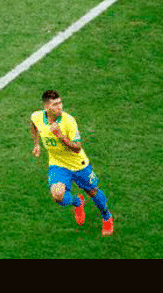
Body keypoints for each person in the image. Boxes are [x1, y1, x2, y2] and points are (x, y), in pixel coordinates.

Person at [30, 90, 113, 236]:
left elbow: (77, 147)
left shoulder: (69, 121)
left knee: (92, 191)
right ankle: (77, 203)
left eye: (60, 102)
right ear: (46, 107)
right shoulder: (37, 117)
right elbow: (34, 126)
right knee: (57, 196)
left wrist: (60, 135)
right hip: (58, 163)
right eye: (55, 104)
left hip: (78, 164)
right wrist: (36, 144)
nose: (60, 106)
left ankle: (107, 218)